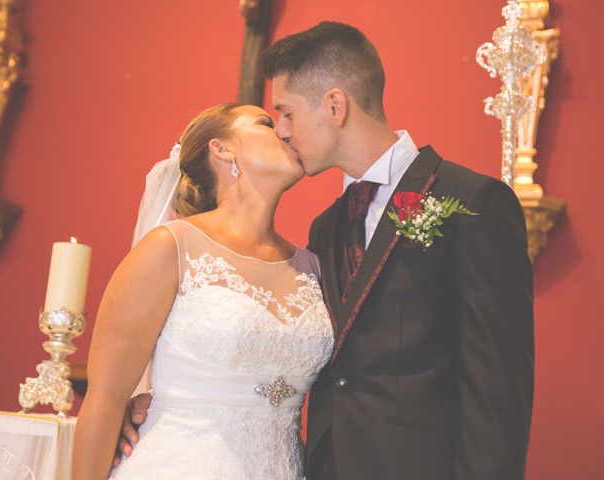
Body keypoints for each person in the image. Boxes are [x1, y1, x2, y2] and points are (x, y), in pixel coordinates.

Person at [118, 21, 535, 480]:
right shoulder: (327, 228)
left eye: (287, 113)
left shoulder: (473, 202)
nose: (282, 131)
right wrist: (160, 401)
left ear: (335, 105)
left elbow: (498, 387)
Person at [72, 103, 335, 480]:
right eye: (265, 122)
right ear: (222, 149)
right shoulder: (171, 247)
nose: (283, 131)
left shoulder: (313, 265)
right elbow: (105, 397)